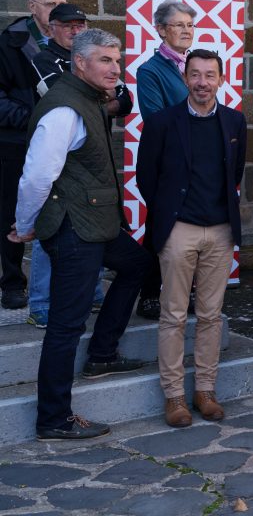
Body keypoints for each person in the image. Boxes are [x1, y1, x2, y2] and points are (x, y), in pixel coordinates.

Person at [11, 28, 151, 440]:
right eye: (105, 61)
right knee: (65, 325)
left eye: (117, 59)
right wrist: (24, 225)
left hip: (95, 224)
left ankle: (103, 352)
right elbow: (36, 177)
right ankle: (53, 418)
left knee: (137, 265)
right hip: (74, 229)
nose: (115, 68)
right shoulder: (63, 110)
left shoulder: (90, 100)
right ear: (80, 63)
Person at [137, 49, 246, 427]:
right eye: (195, 75)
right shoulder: (162, 122)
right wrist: (171, 215)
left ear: (220, 79)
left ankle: (205, 390)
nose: (202, 82)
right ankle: (174, 397)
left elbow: (236, 172)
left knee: (212, 315)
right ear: (185, 79)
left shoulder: (235, 122)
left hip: (219, 231)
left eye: (209, 75)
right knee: (173, 315)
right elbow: (146, 177)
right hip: (178, 229)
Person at [26, 4, 127, 327]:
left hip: (92, 160)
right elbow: (62, 93)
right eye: (68, 25)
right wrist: (100, 101)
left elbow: (123, 100)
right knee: (51, 226)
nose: (75, 29)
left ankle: (94, 291)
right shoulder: (44, 60)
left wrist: (101, 100)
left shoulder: (97, 61)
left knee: (94, 233)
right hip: (62, 165)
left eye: (80, 24)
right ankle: (40, 302)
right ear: (51, 27)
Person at [0, 0, 65, 310]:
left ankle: (59, 284)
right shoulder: (11, 42)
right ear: (32, 7)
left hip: (61, 143)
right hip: (18, 141)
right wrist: (32, 117)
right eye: (49, 3)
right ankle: (12, 282)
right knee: (12, 211)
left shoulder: (71, 41)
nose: (56, 10)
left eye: (61, 3)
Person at [133, 0, 197, 321]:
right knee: (161, 226)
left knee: (195, 228)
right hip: (166, 163)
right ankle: (148, 293)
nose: (186, 31)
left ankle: (187, 292)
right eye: (179, 25)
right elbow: (156, 119)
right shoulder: (150, 71)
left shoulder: (195, 66)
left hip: (198, 162)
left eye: (190, 25)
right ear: (160, 30)